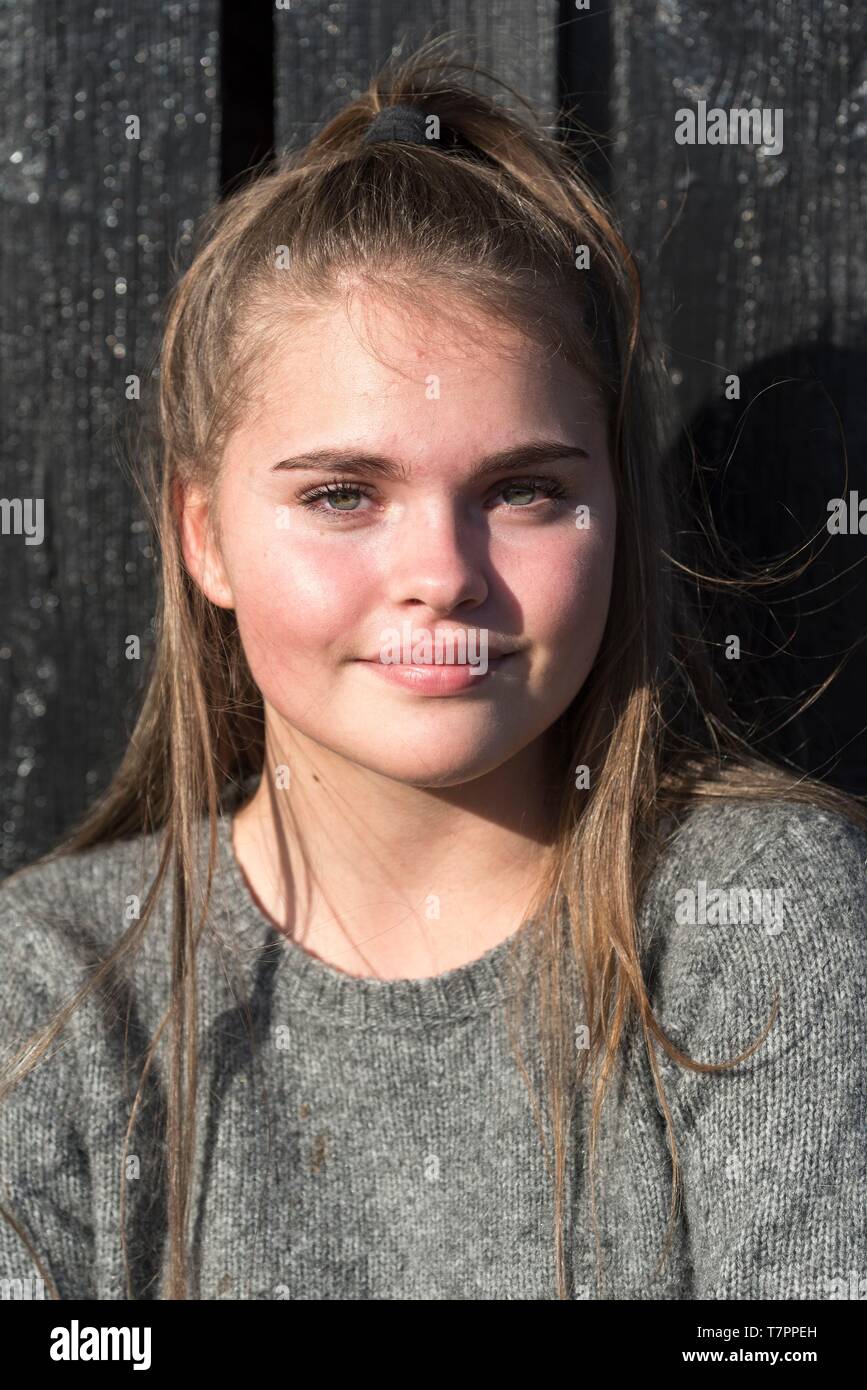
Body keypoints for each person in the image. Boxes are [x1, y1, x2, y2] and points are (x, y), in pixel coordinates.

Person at [1, 42, 865, 1302]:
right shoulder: (48, 992)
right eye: (344, 494)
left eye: (522, 490)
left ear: (615, 510)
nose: (445, 572)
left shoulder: (763, 924)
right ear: (206, 536)